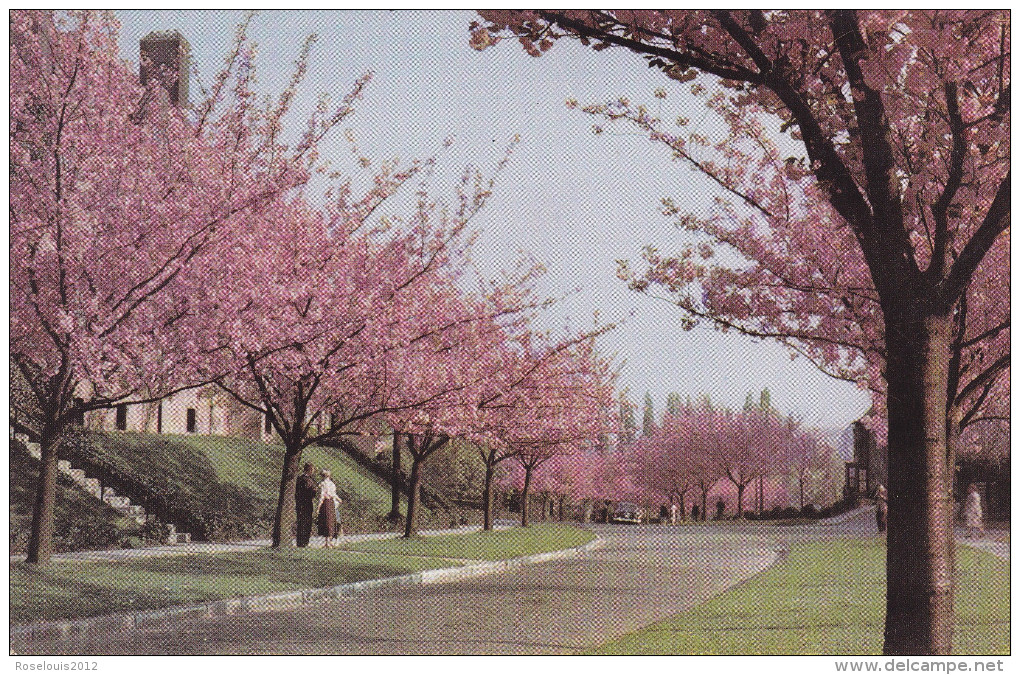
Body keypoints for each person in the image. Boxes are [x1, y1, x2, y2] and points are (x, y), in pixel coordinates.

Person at [316, 469, 342, 547]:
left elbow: (322, 495)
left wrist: (318, 507)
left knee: (326, 521)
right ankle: (329, 541)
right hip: (331, 503)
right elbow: (333, 494)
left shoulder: (323, 484)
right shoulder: (332, 484)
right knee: (330, 521)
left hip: (326, 503)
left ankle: (327, 542)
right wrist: (338, 499)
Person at [295, 462, 318, 547]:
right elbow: (309, 492)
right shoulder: (306, 480)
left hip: (300, 503)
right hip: (306, 503)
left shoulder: (299, 479)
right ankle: (304, 542)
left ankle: (301, 541)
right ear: (310, 470)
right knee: (306, 523)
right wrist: (314, 491)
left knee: (302, 522)